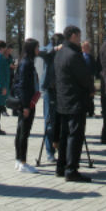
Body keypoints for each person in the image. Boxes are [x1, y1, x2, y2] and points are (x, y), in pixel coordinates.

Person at [55, 25, 94, 182]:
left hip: (63, 100)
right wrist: (91, 89)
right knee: (75, 136)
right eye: (78, 36)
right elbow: (84, 77)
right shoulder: (74, 55)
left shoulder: (60, 53)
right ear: (72, 36)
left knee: (64, 135)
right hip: (76, 100)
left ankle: (61, 166)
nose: (80, 39)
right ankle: (71, 169)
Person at [13, 38, 41, 173]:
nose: (38, 50)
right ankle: (22, 162)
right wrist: (25, 106)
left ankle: (19, 160)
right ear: (31, 48)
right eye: (37, 47)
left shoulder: (26, 62)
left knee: (21, 131)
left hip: (27, 102)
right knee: (23, 132)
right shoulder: (26, 63)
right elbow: (23, 85)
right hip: (26, 103)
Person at [40, 33, 63, 162]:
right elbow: (41, 52)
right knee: (49, 121)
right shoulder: (49, 51)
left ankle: (60, 147)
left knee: (60, 121)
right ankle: (50, 152)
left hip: (61, 89)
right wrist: (54, 49)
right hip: (50, 89)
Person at [81, 40, 100, 117]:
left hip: (90, 80)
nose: (88, 48)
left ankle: (91, 111)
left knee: (91, 96)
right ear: (82, 47)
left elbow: (94, 68)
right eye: (86, 46)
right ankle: (83, 110)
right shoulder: (79, 56)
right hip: (82, 80)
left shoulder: (91, 57)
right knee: (83, 96)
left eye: (89, 46)